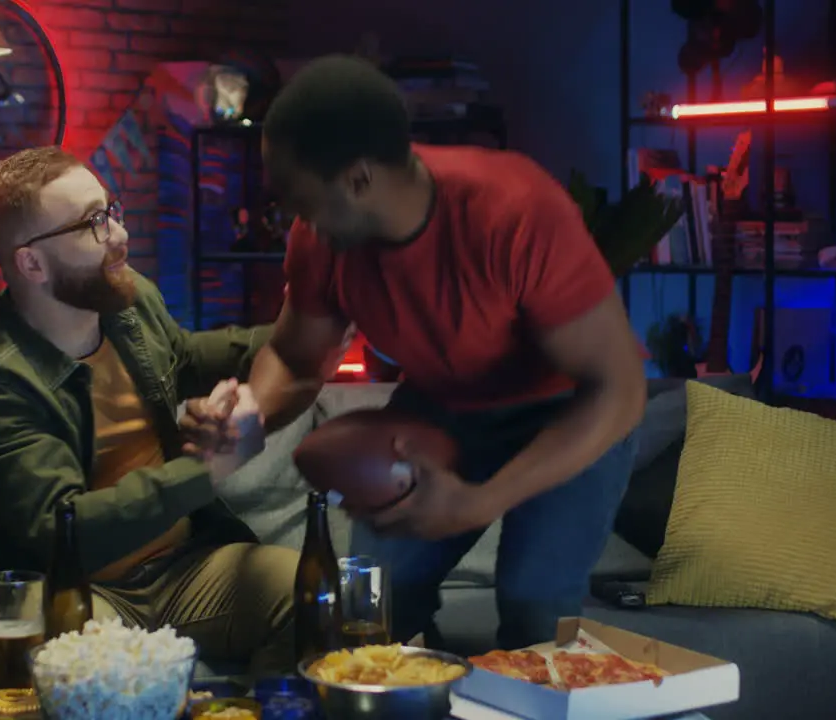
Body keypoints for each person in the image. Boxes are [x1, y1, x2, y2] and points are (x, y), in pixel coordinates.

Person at [242, 55, 647, 651]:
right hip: (446, 403)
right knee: (370, 602)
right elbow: (298, 358)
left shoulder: (514, 210)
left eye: (297, 200)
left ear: (358, 180)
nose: (292, 221)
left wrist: (481, 501)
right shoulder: (323, 236)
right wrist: (244, 417)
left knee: (535, 603)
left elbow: (620, 390)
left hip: (570, 410)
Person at [0, 146, 295, 674]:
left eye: (112, 211)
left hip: (186, 569)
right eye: (92, 224)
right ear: (31, 262)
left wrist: (305, 325)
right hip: (75, 591)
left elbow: (189, 358)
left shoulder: (125, 301)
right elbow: (64, 531)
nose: (120, 236)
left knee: (318, 598)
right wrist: (207, 470)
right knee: (99, 668)